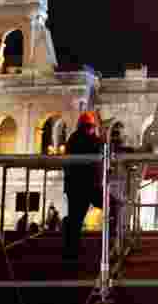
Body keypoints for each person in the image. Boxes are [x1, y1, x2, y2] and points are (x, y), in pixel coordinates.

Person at [63, 111, 103, 260]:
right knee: (114, 205)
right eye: (92, 126)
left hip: (76, 187)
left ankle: (71, 251)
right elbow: (99, 146)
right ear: (88, 127)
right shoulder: (86, 139)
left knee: (75, 220)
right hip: (87, 187)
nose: (93, 129)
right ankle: (110, 241)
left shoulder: (73, 139)